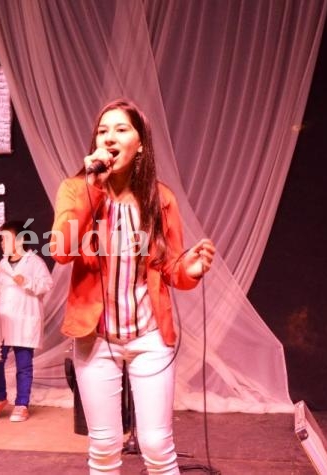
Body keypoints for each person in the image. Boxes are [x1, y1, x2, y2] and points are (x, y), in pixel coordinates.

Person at [50, 99, 216, 474]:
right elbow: (60, 250)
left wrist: (189, 267)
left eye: (121, 129)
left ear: (140, 143)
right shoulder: (76, 190)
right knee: (105, 446)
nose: (110, 136)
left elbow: (172, 269)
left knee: (156, 445)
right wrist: (94, 188)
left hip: (149, 336)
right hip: (97, 336)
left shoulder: (161, 198)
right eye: (103, 130)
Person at [0, 220, 53, 423]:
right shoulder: (3, 263)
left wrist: (27, 282)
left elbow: (47, 285)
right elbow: (1, 289)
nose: (2, 242)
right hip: (5, 318)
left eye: (6, 238)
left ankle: (21, 404)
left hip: (24, 320)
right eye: (2, 239)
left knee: (23, 365)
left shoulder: (34, 262)